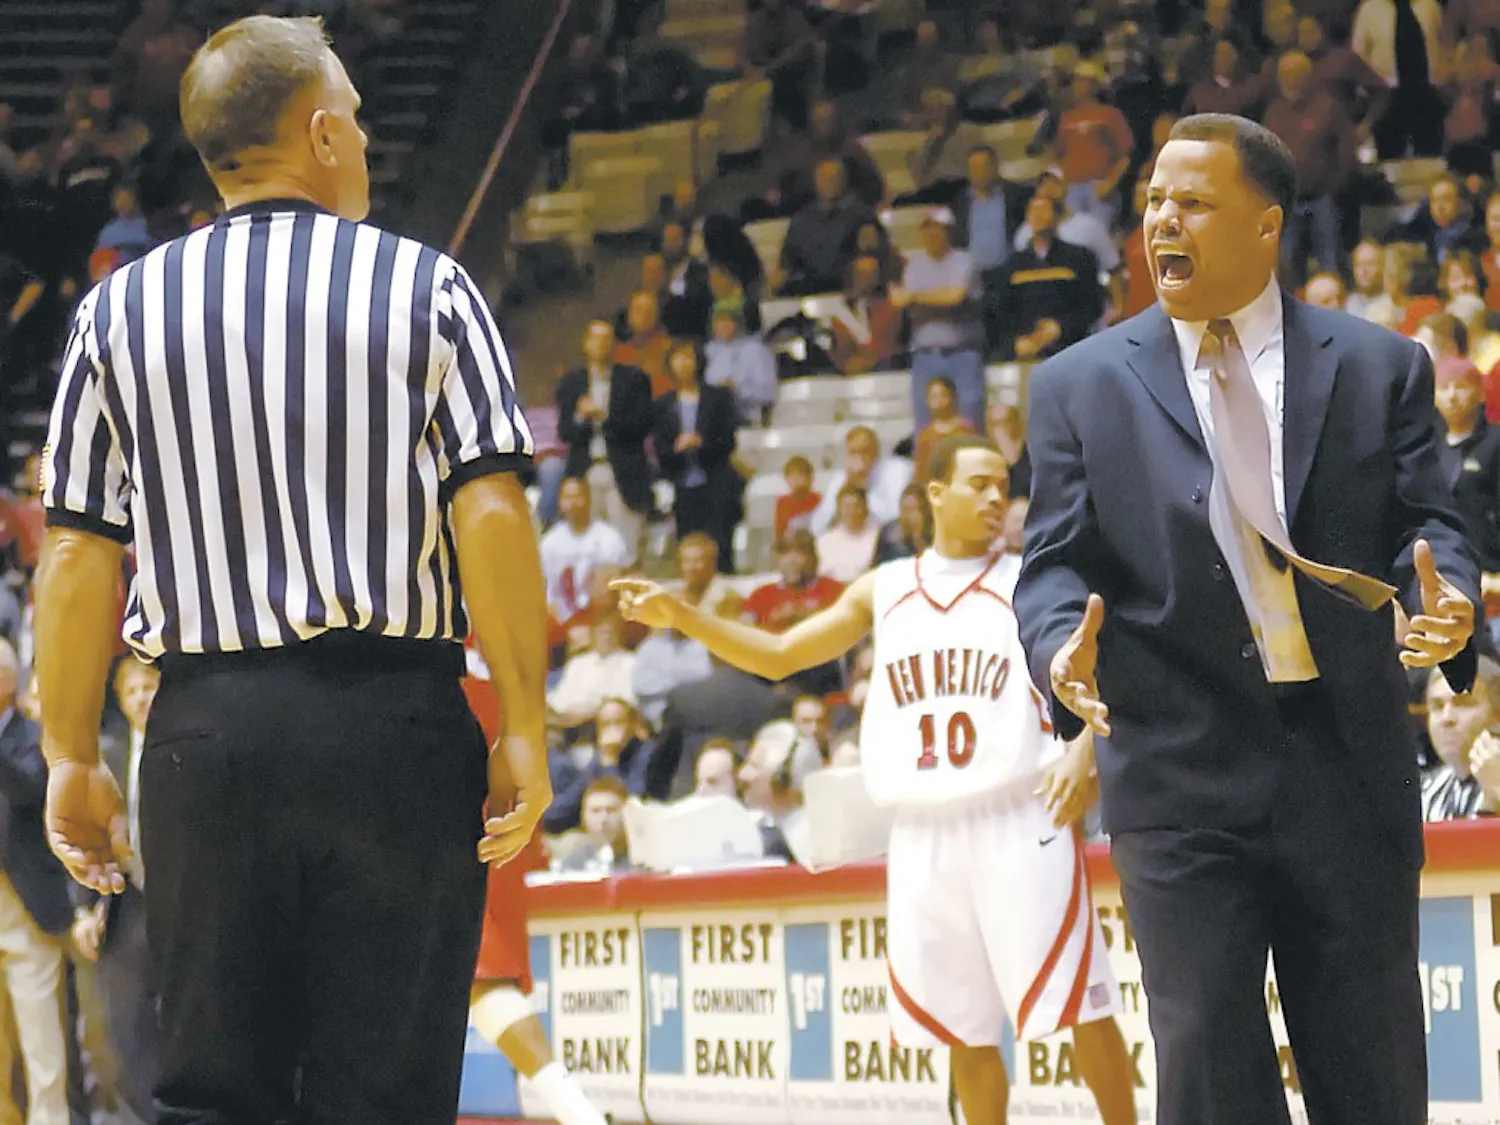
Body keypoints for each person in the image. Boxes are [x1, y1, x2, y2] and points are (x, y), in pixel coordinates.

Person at [35, 17, 551, 1125]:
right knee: (387, 1094)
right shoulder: (430, 288)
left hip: (207, 740)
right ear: (320, 135)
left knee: (214, 1094)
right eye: (357, 119)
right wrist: (522, 720)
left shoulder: (115, 313)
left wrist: (70, 751)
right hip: (397, 733)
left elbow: (78, 548)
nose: (362, 137)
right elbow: (494, 512)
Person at [1016, 113, 1478, 1125]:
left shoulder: (1380, 365)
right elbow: (1051, 568)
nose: (1161, 223)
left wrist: (1446, 605)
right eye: (1152, 203)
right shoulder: (1075, 388)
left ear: (1266, 227)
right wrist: (1058, 652)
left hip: (1346, 769)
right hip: (1177, 771)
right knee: (1210, 1077)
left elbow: (1430, 528)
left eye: (1192, 203)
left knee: (1372, 1076)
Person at [611, 434, 1137, 1125]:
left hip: (1021, 812)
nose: (993, 499)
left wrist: (1082, 753)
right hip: (922, 829)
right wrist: (683, 614)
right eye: (976, 484)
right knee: (963, 1029)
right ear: (934, 495)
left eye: (999, 487)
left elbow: (1102, 667)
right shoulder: (885, 588)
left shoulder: (1028, 578)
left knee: (1078, 1006)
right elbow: (778, 654)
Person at [461, 659, 607, 1125]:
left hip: (432, 713)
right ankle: (579, 1113)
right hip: (499, 721)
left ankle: (580, 1115)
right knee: (483, 973)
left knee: (482, 969)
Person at [557, 321, 656, 563]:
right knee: (589, 551)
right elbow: (565, 432)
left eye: (607, 339)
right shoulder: (573, 382)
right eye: (596, 338)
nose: (601, 344)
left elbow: (642, 425)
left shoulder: (634, 379)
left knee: (626, 548)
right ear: (586, 343)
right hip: (586, 471)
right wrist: (581, 417)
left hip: (623, 470)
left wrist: (604, 416)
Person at [654, 341, 741, 570]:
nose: (683, 364)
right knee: (688, 546)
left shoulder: (718, 397)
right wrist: (677, 449)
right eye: (678, 358)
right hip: (682, 486)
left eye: (688, 357)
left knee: (720, 546)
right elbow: (660, 449)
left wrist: (701, 443)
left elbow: (728, 440)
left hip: (716, 482)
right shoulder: (663, 404)